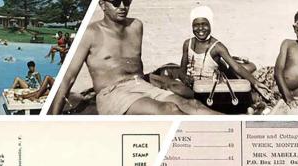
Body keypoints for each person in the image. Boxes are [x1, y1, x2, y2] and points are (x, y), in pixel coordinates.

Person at [49, 0, 218, 115]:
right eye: (115, 2)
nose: (122, 6)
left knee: (192, 105)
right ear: (102, 5)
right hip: (113, 94)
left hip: (141, 85)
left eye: (127, 1)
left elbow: (134, 64)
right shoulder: (90, 33)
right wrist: (51, 121)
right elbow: (68, 78)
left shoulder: (136, 26)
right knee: (169, 109)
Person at [173, 6, 270, 101]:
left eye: (204, 24)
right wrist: (184, 77)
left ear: (211, 24)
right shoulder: (187, 44)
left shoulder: (217, 47)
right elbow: (182, 70)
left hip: (210, 90)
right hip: (192, 87)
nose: (200, 29)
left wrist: (255, 82)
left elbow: (236, 67)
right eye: (196, 25)